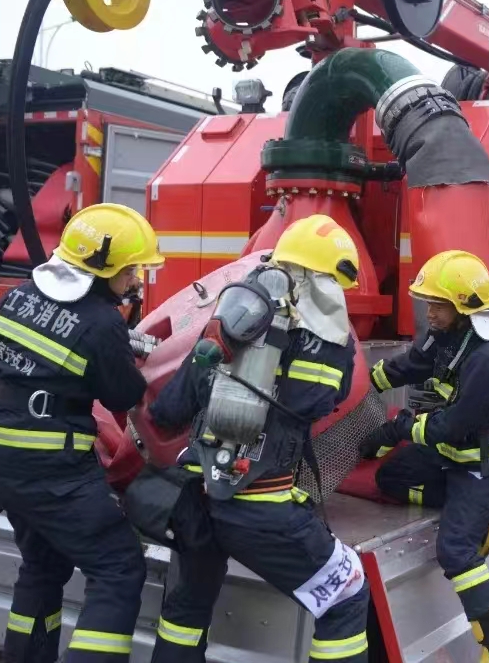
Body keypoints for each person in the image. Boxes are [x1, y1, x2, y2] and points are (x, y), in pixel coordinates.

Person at [145, 214, 370, 663]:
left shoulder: (229, 321)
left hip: (196, 501)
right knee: (346, 594)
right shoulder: (329, 340)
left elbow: (167, 412)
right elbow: (322, 403)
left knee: (187, 609)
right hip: (260, 508)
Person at [0, 203, 163, 662]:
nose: (135, 280)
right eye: (130, 270)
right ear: (103, 269)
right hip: (53, 469)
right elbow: (123, 395)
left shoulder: (17, 296)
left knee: (43, 565)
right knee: (118, 567)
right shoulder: (102, 323)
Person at [360, 250, 489, 663]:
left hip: (482, 466)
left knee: (455, 552)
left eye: (438, 305)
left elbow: (453, 426)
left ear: (464, 306)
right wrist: (363, 383)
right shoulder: (452, 333)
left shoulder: (487, 357)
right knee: (390, 479)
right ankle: (464, 508)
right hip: (451, 454)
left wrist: (398, 429)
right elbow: (415, 363)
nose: (430, 313)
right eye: (429, 303)